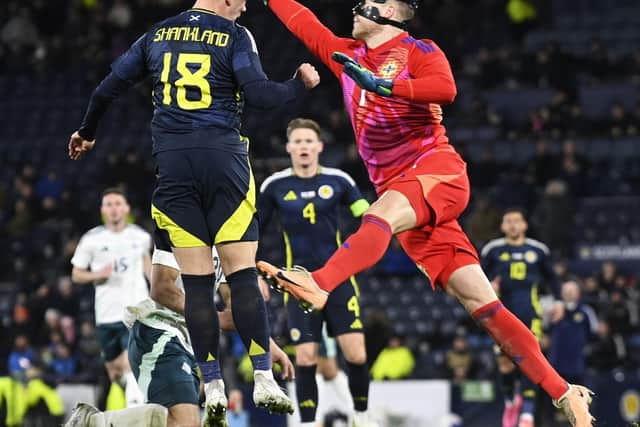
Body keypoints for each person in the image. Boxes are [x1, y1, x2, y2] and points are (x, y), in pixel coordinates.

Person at [254, 1, 594, 425]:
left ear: (393, 12)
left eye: (369, 3)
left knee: (378, 215)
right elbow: (302, 21)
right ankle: (564, 392)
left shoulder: (419, 50)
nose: (357, 8)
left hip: (436, 171)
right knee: (484, 306)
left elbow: (445, 90)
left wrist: (383, 86)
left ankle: (320, 283)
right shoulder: (346, 56)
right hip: (405, 196)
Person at [67, 0, 319, 421]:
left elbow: (106, 88)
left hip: (173, 165)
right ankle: (262, 376)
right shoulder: (234, 35)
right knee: (241, 274)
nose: (244, 6)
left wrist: (87, 131)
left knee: (198, 286)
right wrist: (299, 84)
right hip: (223, 159)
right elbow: (260, 94)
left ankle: (214, 384)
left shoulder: (157, 34)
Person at [64, 245, 295, 427]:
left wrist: (265, 343)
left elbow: (236, 312)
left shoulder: (225, 248)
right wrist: (206, 316)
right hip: (157, 332)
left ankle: (94, 422)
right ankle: (94, 422)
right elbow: (162, 290)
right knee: (186, 421)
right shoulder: (179, 226)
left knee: (180, 421)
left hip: (187, 344)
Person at [257, 118, 373, 426]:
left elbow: (369, 218)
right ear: (289, 148)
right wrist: (255, 273)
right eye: (298, 141)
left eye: (309, 141)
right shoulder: (275, 185)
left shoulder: (339, 180)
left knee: (356, 355)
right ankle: (308, 424)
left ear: (319, 146)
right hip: (297, 285)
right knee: (306, 357)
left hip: (337, 281)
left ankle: (361, 417)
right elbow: (252, 232)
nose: (303, 147)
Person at [481, 208, 563, 427]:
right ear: (502, 227)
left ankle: (527, 414)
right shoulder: (493, 250)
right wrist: (488, 288)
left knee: (530, 360)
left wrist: (558, 303)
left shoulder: (538, 250)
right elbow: (477, 278)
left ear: (525, 225)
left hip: (531, 314)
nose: (513, 225)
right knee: (504, 364)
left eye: (517, 221)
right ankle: (510, 402)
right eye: (508, 221)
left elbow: (553, 279)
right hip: (501, 316)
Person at [71, 188, 150, 407]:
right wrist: (97, 274)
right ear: (102, 210)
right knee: (115, 372)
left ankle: (136, 411)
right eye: (109, 204)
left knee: (131, 363)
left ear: (126, 208)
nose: (114, 209)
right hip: (106, 314)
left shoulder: (141, 237)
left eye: (118, 204)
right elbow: (76, 274)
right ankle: (136, 394)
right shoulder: (92, 239)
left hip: (135, 310)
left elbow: (149, 268)